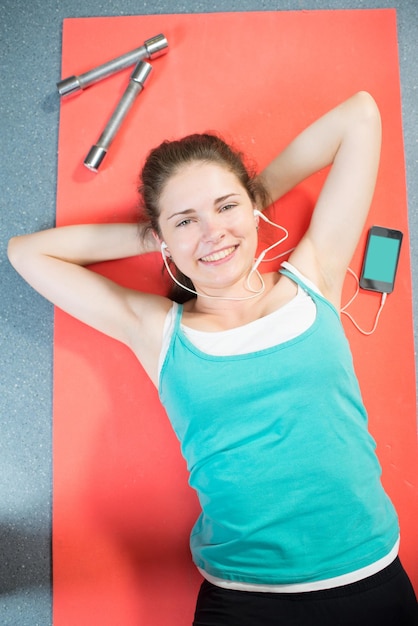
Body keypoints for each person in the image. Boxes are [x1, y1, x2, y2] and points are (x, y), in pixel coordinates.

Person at [8, 91, 418, 625]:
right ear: (162, 239)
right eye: (185, 222)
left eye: (225, 206)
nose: (213, 233)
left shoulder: (313, 275)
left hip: (369, 580)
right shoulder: (158, 329)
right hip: (244, 599)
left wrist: (247, 201)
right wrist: (162, 235)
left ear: (250, 206)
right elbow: (27, 252)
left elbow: (361, 114)